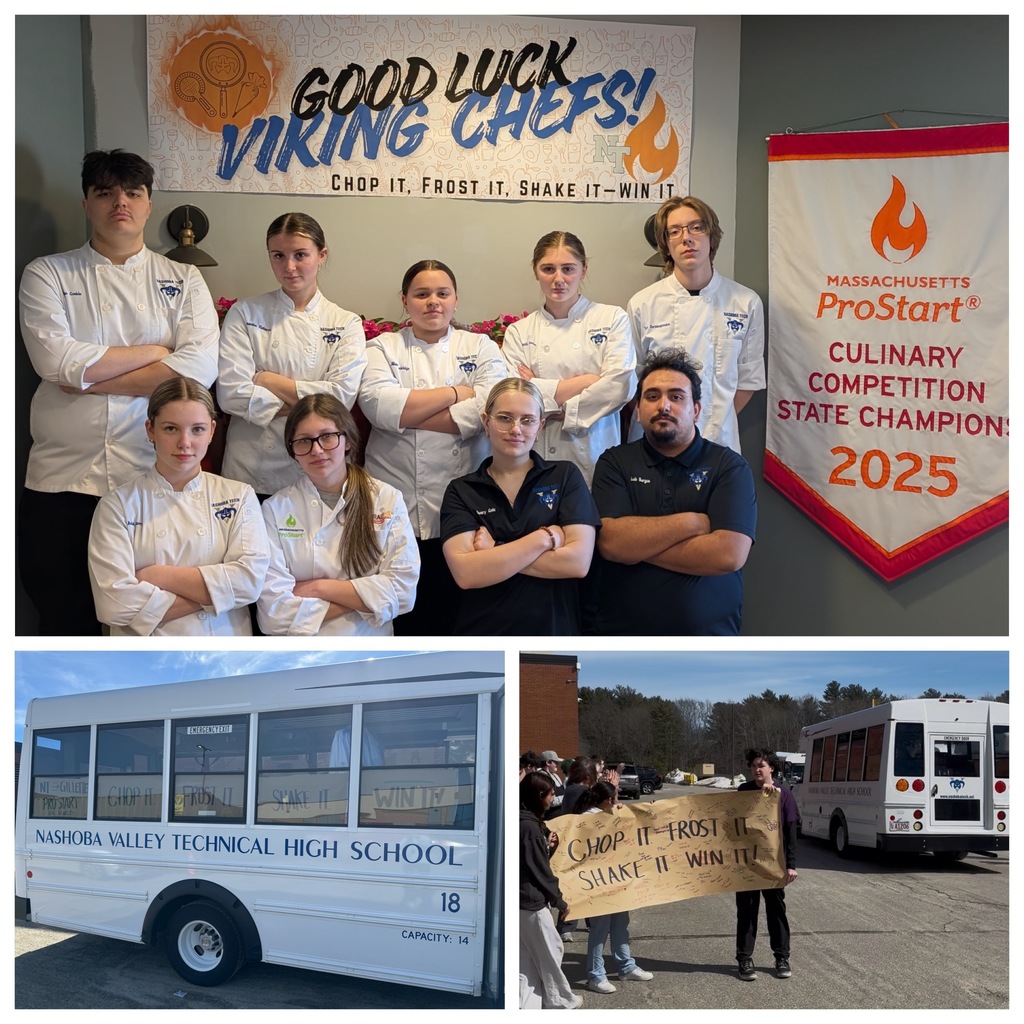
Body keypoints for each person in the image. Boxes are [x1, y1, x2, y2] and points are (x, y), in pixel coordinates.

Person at [18, 148, 219, 634]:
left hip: (146, 480)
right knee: (61, 615)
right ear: (87, 204)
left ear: (149, 205)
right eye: (105, 193)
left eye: (133, 192)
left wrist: (87, 377)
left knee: (144, 618)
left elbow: (199, 370)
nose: (119, 203)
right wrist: (156, 351)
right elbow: (54, 361)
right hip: (61, 481)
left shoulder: (183, 278)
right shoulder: (47, 273)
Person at [358, 259, 507, 634]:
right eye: (421, 294)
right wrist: (459, 392)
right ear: (405, 301)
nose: (432, 302)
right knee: (399, 610)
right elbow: (378, 406)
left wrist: (407, 412)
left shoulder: (481, 346)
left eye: (442, 293)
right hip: (395, 496)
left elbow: (492, 409)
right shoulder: (381, 347)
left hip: (462, 504)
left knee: (457, 613)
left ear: (456, 300)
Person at [591, 347, 757, 635]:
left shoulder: (729, 467)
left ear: (695, 410)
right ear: (639, 409)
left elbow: (728, 554)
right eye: (652, 396)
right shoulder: (614, 463)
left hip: (709, 637)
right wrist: (692, 523)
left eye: (676, 397)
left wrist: (638, 546)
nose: (663, 406)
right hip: (620, 636)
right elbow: (611, 544)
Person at [88, 377, 270, 635]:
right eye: (171, 429)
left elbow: (250, 583)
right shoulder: (117, 506)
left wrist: (157, 576)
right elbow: (114, 605)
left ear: (212, 431)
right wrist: (220, 595)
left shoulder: (239, 496)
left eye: (197, 429)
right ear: (151, 430)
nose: (185, 443)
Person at [217, 212, 366, 498]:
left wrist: (265, 379)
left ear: (321, 255)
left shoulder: (346, 323)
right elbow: (231, 394)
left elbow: (341, 398)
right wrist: (313, 402)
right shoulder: (245, 313)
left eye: (300, 255)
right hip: (252, 468)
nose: (289, 267)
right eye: (278, 255)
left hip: (319, 470)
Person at [440, 379, 600, 635]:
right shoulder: (462, 490)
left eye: (527, 420)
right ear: (486, 422)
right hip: (484, 636)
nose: (516, 429)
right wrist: (543, 538)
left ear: (540, 427)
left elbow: (577, 563)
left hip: (553, 633)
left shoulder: (565, 476)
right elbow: (467, 574)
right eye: (504, 418)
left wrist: (495, 551)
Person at [257, 393, 419, 635]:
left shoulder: (387, 499)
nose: (317, 450)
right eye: (304, 441)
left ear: (348, 440)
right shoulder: (274, 509)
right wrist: (368, 597)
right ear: (292, 451)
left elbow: (404, 592)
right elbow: (273, 615)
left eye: (327, 437)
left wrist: (319, 589)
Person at [627, 195, 765, 454]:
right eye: (675, 231)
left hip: (717, 440)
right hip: (654, 442)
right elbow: (631, 381)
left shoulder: (745, 303)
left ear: (711, 236)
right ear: (666, 245)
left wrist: (711, 416)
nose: (686, 238)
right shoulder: (642, 304)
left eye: (696, 227)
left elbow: (748, 381)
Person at [501, 231, 635, 487]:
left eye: (568, 269)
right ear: (535, 271)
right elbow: (515, 399)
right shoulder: (519, 331)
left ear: (584, 270)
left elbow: (620, 386)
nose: (558, 279)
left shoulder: (611, 319)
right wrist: (589, 381)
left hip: (595, 451)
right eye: (548, 269)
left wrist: (548, 399)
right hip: (537, 454)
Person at [576, 781, 655, 992]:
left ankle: (626, 965)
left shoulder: (611, 814)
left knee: (620, 924)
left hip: (617, 879)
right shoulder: (586, 819)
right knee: (599, 929)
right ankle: (595, 975)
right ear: (607, 800)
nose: (618, 801)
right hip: (598, 882)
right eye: (616, 797)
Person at [520, 771, 583, 1009]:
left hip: (520, 902)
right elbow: (539, 871)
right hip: (532, 902)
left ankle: (527, 1003)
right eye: (549, 794)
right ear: (539, 795)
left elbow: (532, 861)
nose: (552, 799)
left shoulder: (522, 822)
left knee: (526, 959)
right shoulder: (530, 827)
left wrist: (547, 847)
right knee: (551, 951)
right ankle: (560, 1000)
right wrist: (559, 901)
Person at [735, 748, 799, 981]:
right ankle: (744, 959)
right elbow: (731, 821)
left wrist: (791, 865)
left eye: (761, 765)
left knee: (776, 912)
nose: (756, 769)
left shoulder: (783, 794)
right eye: (753, 766)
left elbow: (790, 832)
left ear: (771, 767)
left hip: (773, 864)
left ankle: (781, 957)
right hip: (748, 864)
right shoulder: (743, 791)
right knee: (746, 912)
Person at [538, 750, 568, 818]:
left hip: (560, 815)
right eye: (556, 762)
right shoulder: (542, 777)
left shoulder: (555, 775)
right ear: (548, 762)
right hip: (550, 817)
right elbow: (550, 801)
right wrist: (567, 797)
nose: (558, 765)